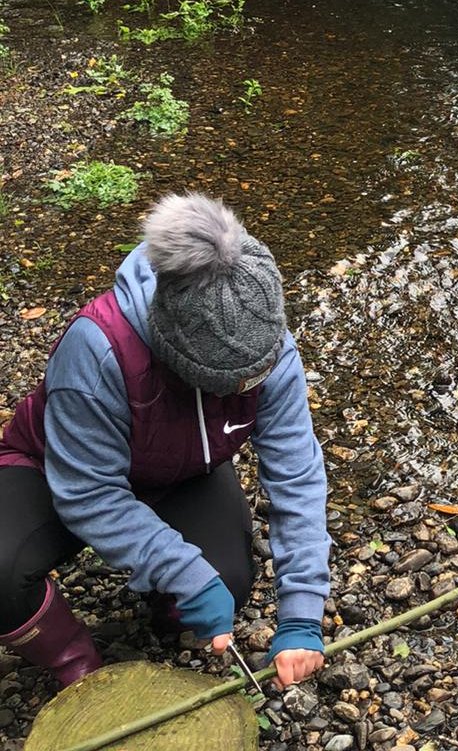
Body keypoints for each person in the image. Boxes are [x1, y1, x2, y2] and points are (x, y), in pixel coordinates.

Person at [0, 193, 331, 690]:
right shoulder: (97, 349)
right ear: (183, 361)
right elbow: (89, 493)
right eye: (239, 384)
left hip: (179, 469)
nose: (260, 383)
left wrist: (302, 615)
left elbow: (297, 476)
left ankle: (162, 617)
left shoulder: (265, 343)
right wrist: (182, 570)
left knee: (229, 581)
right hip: (55, 469)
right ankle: (74, 660)